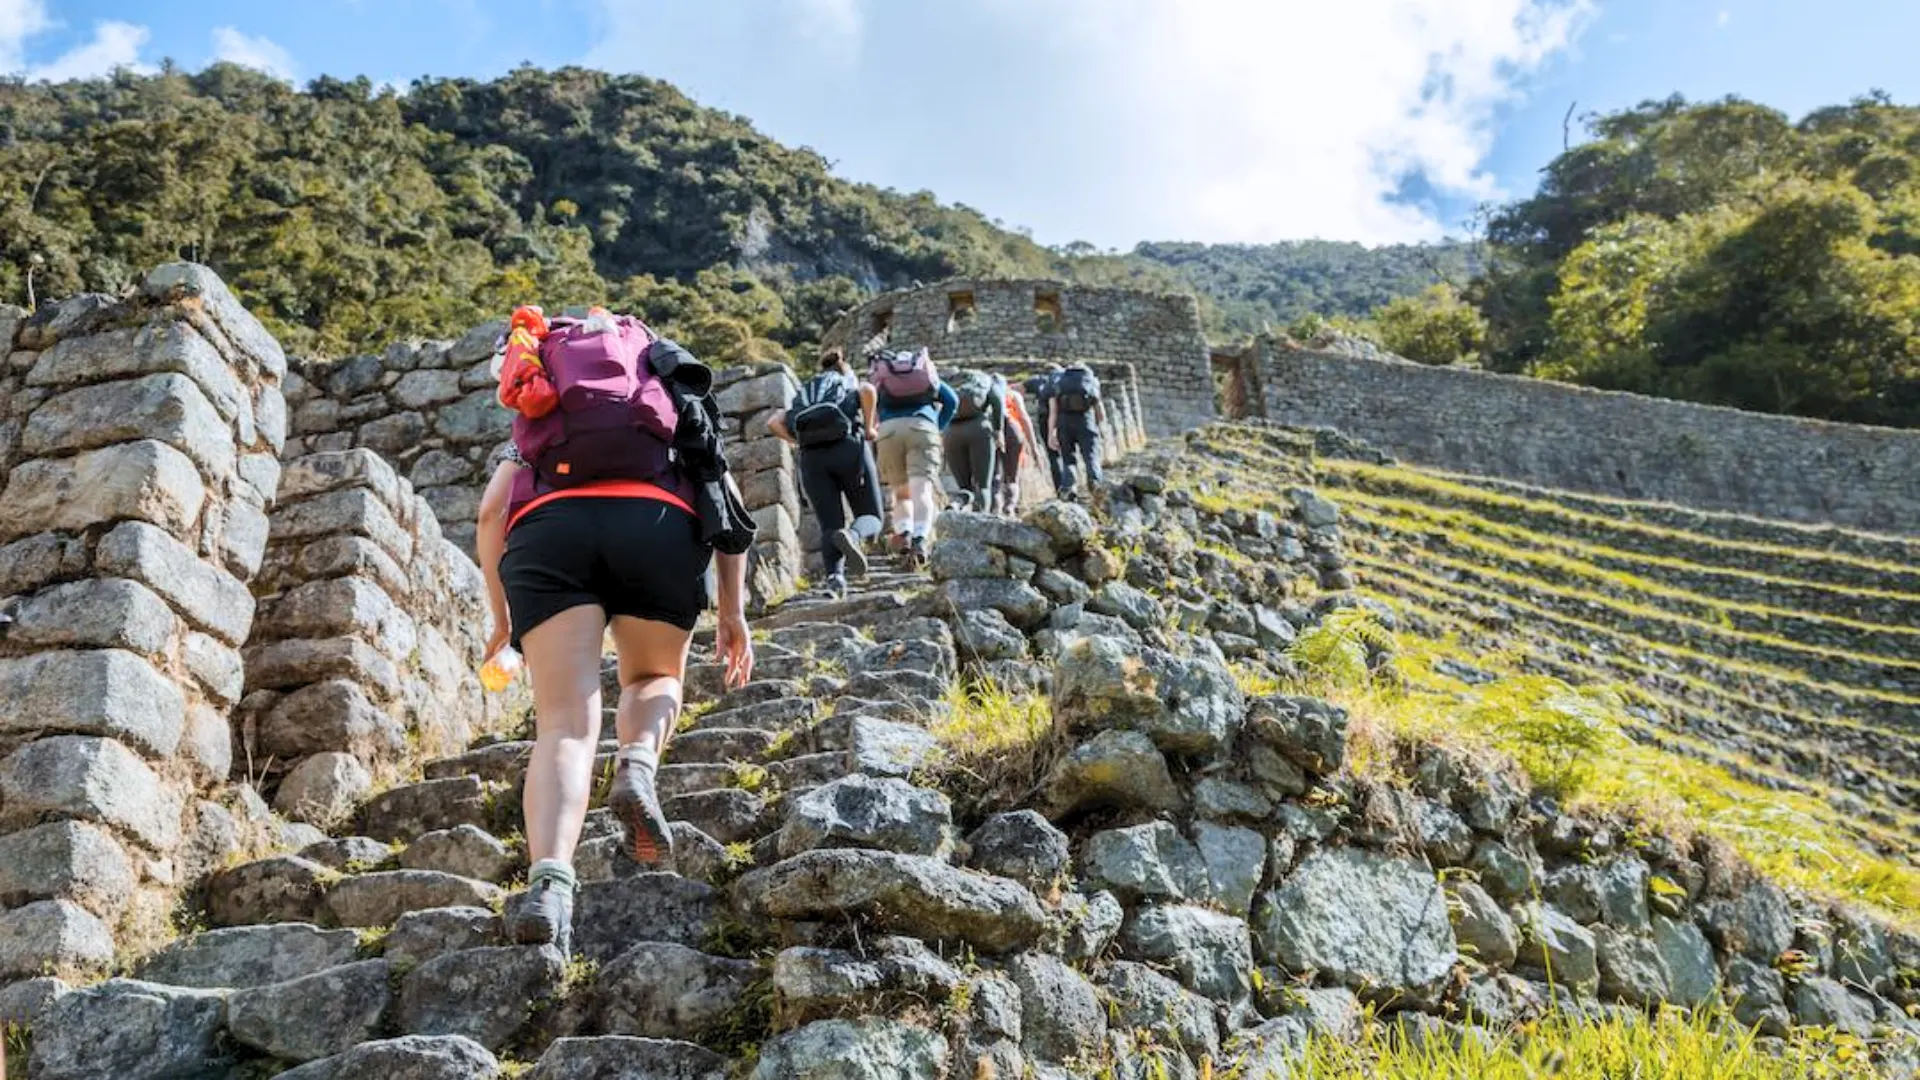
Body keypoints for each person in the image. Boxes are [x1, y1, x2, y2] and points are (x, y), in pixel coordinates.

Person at [476, 308, 754, 958]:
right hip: (656, 526)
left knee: (566, 725)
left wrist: (501, 621)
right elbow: (722, 491)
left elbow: (492, 511)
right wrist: (734, 614)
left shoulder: (542, 424)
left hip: (551, 532)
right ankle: (635, 766)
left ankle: (549, 882)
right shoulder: (666, 391)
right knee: (653, 676)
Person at [768, 349, 883, 597]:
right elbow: (867, 390)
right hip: (848, 448)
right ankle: (853, 535)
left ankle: (835, 580)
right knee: (872, 516)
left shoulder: (807, 391)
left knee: (830, 524)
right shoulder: (845, 381)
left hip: (812, 458)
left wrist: (796, 442)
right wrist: (870, 428)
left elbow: (773, 421)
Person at [869, 347, 958, 567]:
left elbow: (872, 404)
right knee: (922, 490)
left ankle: (904, 536)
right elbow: (952, 401)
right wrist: (936, 426)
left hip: (889, 431)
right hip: (922, 427)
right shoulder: (924, 374)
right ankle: (920, 540)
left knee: (901, 494)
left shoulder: (883, 375)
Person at [943, 368, 1004, 513]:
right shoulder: (986, 381)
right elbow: (997, 402)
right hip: (980, 429)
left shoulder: (950, 384)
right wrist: (998, 430)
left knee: (963, 486)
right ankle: (982, 520)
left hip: (951, 433)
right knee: (983, 485)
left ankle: (960, 510)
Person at [1050, 361, 1108, 499]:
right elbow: (1099, 409)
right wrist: (1101, 426)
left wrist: (1052, 432)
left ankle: (1068, 489)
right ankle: (1096, 485)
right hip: (1085, 422)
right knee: (1091, 456)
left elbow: (1053, 410)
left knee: (1068, 459)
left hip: (1064, 424)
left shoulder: (1060, 381)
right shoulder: (1090, 381)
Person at [997, 375, 1042, 515]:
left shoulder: (987, 394)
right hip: (1013, 432)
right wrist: (1034, 448)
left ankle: (994, 510)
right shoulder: (1013, 395)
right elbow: (1023, 418)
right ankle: (1009, 508)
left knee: (994, 476)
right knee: (1012, 476)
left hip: (991, 433)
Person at [1025, 364, 1066, 495]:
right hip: (1067, 418)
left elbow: (1013, 388)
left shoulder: (1038, 382)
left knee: (1053, 456)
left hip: (1045, 419)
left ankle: (1061, 489)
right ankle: (1071, 485)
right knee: (1069, 454)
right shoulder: (1067, 381)